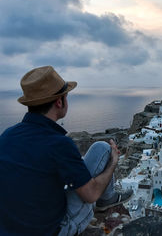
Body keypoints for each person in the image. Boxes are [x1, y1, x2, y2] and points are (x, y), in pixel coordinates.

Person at [0, 66, 132, 236]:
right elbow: (90, 195)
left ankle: (108, 198)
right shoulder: (58, 143)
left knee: (100, 147)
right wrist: (113, 162)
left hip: (10, 227)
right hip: (51, 230)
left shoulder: (7, 136)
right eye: (66, 96)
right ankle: (107, 200)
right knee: (103, 156)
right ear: (59, 102)